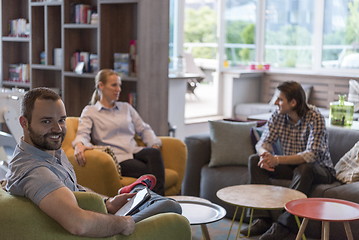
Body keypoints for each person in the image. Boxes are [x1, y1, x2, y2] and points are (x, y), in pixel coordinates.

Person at [5, 87, 181, 238]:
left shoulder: (49, 151)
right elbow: (78, 223)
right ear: (24, 123)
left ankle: (133, 192)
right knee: (171, 206)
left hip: (99, 214)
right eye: (46, 121)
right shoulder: (35, 171)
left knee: (146, 197)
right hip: (98, 232)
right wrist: (124, 224)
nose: (57, 129)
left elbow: (72, 188)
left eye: (61, 120)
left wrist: (108, 203)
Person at [242, 81, 335, 240]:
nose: (276, 103)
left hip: (320, 169)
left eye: (280, 99)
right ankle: (262, 219)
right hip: (292, 166)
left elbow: (311, 155)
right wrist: (265, 155)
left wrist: (277, 159)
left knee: (304, 168)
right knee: (255, 161)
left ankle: (284, 225)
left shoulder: (315, 117)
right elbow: (262, 143)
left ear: (293, 102)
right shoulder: (278, 115)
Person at [73, 69, 165, 195]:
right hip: (118, 157)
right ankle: (159, 201)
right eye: (114, 85)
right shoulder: (90, 111)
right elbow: (82, 134)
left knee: (154, 153)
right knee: (149, 170)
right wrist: (79, 145)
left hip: (133, 150)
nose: (118, 89)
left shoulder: (126, 107)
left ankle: (157, 201)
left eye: (119, 85)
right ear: (101, 86)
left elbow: (144, 128)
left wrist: (154, 143)